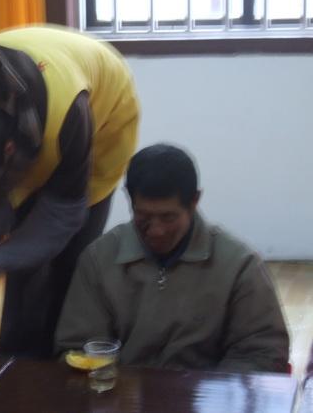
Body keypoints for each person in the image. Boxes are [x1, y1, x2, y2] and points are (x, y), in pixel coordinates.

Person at [0, 25, 140, 357]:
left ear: (9, 150)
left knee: (67, 266)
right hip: (27, 119)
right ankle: (17, 363)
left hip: (103, 111)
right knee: (22, 282)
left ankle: (61, 362)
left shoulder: (69, 117)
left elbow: (62, 214)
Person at [55, 143, 290, 372]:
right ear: (129, 199)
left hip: (205, 392)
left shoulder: (237, 265)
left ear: (194, 201)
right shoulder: (99, 259)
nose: (156, 231)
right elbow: (77, 348)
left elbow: (263, 352)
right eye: (143, 216)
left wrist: (210, 391)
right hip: (120, 392)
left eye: (168, 217)